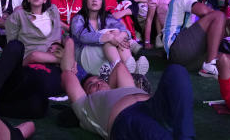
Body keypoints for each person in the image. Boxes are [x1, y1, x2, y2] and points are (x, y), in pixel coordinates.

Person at [61, 37, 194, 139]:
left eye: (100, 80)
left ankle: (184, 135)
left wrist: (110, 87)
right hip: (126, 118)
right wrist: (69, 42)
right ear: (85, 94)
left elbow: (119, 67)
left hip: (152, 106)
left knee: (176, 71)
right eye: (91, 85)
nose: (98, 83)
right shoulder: (84, 105)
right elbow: (67, 74)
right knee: (157, 134)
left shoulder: (122, 89)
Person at [71, 0, 146, 76]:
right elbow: (83, 37)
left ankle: (128, 66)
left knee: (116, 34)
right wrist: (108, 37)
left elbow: (124, 30)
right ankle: (124, 69)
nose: (94, 0)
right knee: (109, 35)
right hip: (86, 56)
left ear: (102, 2)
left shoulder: (106, 17)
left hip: (105, 56)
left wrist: (120, 35)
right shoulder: (78, 18)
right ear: (86, 1)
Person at [163, 0, 225, 78]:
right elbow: (206, 12)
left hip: (183, 60)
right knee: (218, 16)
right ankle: (210, 65)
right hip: (177, 48)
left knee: (225, 60)